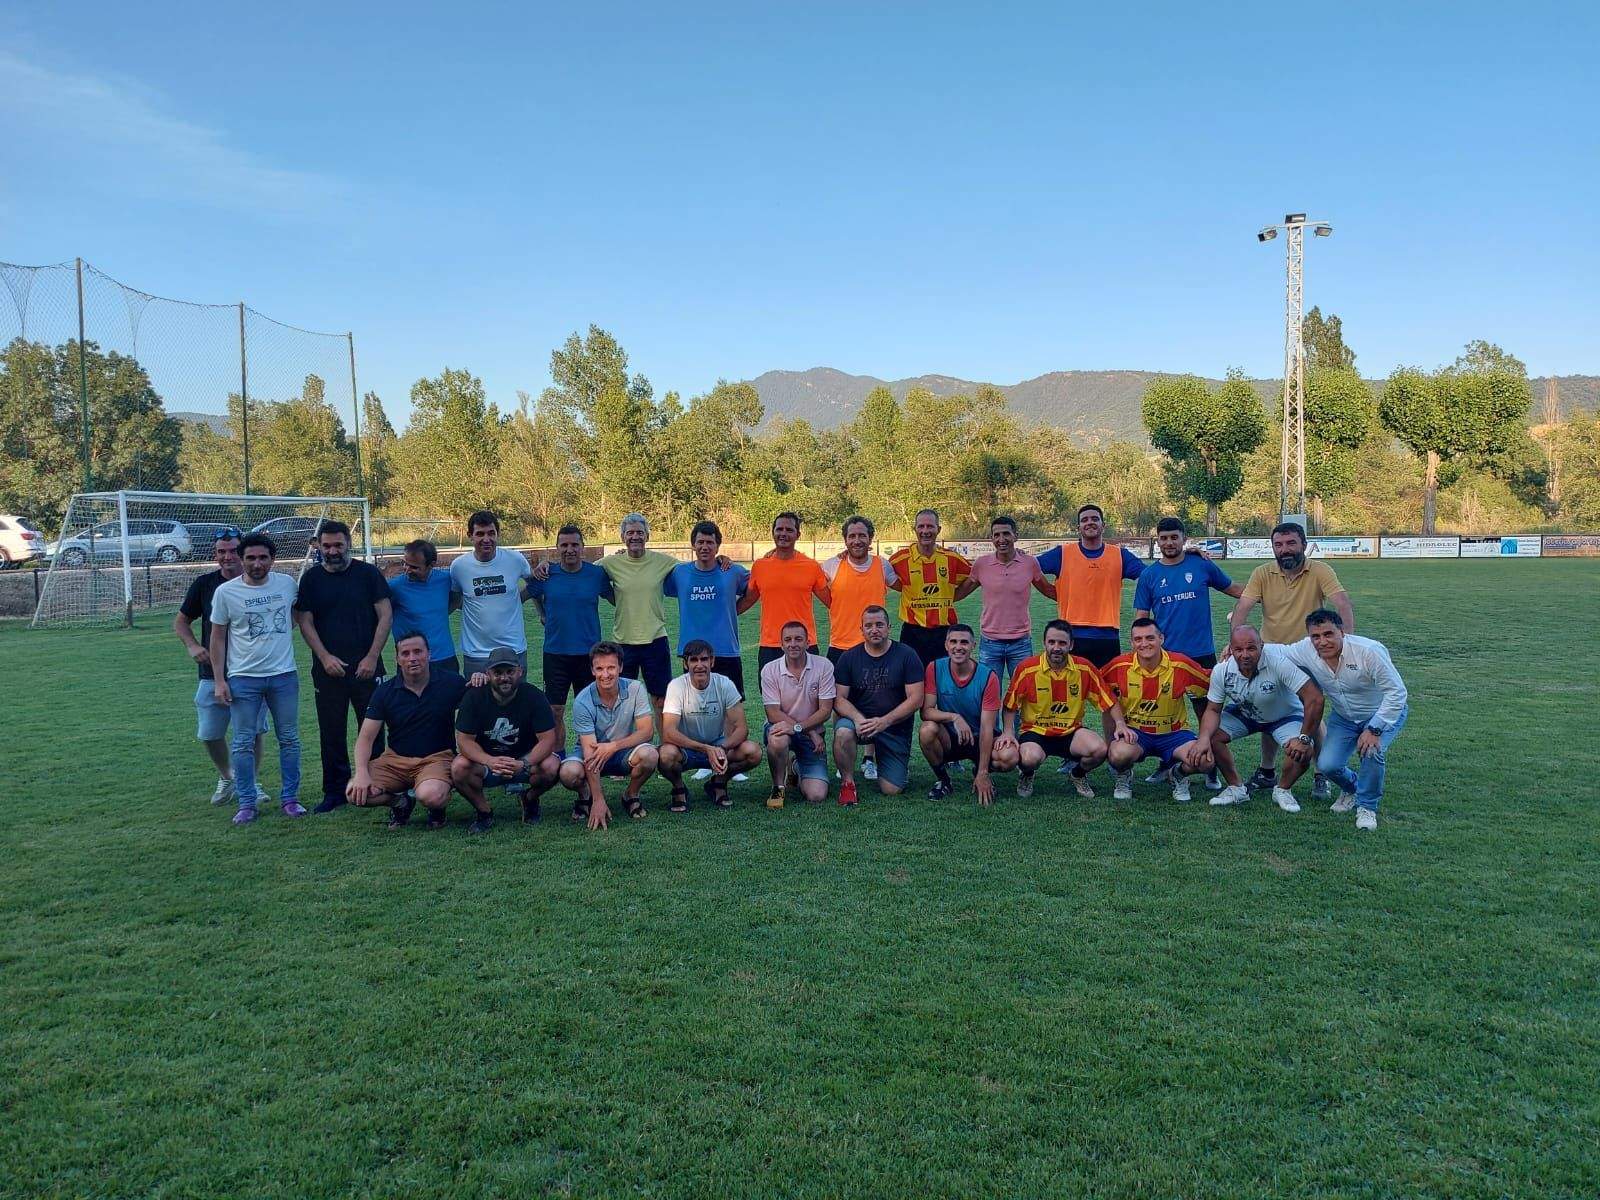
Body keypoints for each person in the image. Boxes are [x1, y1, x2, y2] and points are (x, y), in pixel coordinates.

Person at [1227, 521, 1355, 794]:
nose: (1284, 550)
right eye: (1278, 545)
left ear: (1304, 545)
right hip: (1270, 653)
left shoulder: (1320, 570)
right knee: (1268, 709)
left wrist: (1348, 642)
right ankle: (1267, 771)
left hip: (1308, 655)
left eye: (1290, 544)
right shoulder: (1262, 573)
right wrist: (1234, 642)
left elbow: (1342, 602)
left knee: (1313, 711)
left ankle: (1322, 773)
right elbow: (1243, 607)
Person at [1133, 515, 1243, 785]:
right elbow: (1141, 617)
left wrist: (1268, 592)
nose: (1169, 542)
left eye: (1174, 537)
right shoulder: (1149, 575)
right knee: (1163, 714)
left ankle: (1211, 769)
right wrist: (1141, 650)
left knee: (1206, 712)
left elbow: (1234, 590)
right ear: (1157, 541)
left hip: (1201, 654)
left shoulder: (1201, 564)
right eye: (1164, 538)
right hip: (1165, 657)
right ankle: (1166, 762)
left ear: (1184, 539)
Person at [294, 520, 393, 813]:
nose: (332, 551)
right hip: (328, 671)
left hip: (367, 667)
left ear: (349, 543)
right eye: (326, 546)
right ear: (318, 547)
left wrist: (372, 657)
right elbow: (305, 621)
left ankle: (375, 784)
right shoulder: (311, 579)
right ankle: (334, 791)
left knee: (373, 730)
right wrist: (324, 657)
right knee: (331, 731)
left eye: (338, 545)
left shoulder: (368, 574)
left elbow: (385, 615)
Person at [1281, 609, 1408, 832]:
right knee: (1327, 765)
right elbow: (1276, 652)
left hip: (1380, 713)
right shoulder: (1306, 649)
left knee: (1372, 752)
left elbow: (1396, 693)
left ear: (1342, 632)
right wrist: (1235, 650)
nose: (1322, 642)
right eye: (1316, 636)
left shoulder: (1368, 651)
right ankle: (1352, 788)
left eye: (1329, 634)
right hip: (1344, 717)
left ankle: (1367, 806)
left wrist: (1375, 729)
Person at [208, 532, 303, 825]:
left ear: (272, 560)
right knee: (242, 742)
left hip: (283, 676)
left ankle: (290, 799)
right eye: (250, 557)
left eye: (263, 557)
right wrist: (220, 680)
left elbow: (298, 617)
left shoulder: (287, 584)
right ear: (241, 559)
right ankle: (247, 803)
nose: (257, 563)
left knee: (288, 739)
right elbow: (218, 638)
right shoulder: (226, 593)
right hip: (244, 678)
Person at [174, 526, 265, 806]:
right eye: (221, 552)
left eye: (232, 551)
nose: (227, 557)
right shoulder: (205, 584)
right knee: (210, 733)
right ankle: (228, 777)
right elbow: (181, 621)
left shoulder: (262, 583)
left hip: (252, 672)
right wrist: (192, 645)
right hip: (213, 675)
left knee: (253, 732)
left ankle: (250, 782)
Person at [345, 632, 470, 831]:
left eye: (418, 651)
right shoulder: (385, 691)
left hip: (436, 758)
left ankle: (437, 809)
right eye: (405, 653)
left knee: (431, 796)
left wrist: (481, 678)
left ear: (429, 654)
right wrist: (361, 773)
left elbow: (480, 700)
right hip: (394, 760)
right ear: (397, 659)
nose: (412, 658)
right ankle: (401, 803)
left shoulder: (451, 683)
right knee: (355, 793)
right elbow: (365, 738)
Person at [996, 619, 1132, 799]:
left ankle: (1078, 775)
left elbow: (1109, 700)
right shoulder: (1027, 669)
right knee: (1028, 758)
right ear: (1044, 643)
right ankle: (1027, 774)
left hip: (1071, 732)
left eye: (1062, 643)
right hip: (1036, 731)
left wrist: (1121, 724)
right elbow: (1009, 705)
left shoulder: (1084, 668)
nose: (1056, 647)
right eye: (1051, 642)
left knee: (1099, 749)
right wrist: (1007, 732)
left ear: (1071, 645)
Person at [1194, 625, 1324, 812]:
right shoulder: (1222, 670)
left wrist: (1304, 738)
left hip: (1284, 716)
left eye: (1251, 648)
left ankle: (1283, 789)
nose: (1245, 655)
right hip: (1247, 713)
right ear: (1230, 649)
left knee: (1303, 750)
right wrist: (1203, 738)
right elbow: (1213, 709)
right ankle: (1236, 788)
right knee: (1211, 736)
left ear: (1261, 646)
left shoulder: (1278, 662)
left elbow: (1315, 697)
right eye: (1238, 649)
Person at [1098, 618, 1215, 803]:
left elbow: (1213, 682)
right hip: (1135, 734)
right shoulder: (1119, 666)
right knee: (1118, 754)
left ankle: (1177, 774)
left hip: (1174, 733)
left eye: (1150, 638)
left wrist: (1230, 663)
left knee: (1205, 761)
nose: (1144, 644)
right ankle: (1124, 775)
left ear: (1161, 638)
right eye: (1138, 639)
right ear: (1131, 643)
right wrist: (1119, 724)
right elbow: (1097, 686)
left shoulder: (1180, 664)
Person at [524, 525, 614, 753]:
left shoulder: (596, 574)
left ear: (583, 548)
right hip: (556, 652)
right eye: (564, 545)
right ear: (557, 548)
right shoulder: (547, 573)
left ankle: (590, 751)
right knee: (555, 709)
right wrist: (541, 612)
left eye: (575, 545)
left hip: (589, 653)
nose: (570, 550)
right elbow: (528, 592)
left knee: (591, 708)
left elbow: (618, 599)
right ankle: (558, 754)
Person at [452, 646, 562, 826]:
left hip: (524, 760)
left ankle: (529, 798)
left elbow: (548, 739)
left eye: (510, 671)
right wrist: (489, 760)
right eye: (498, 672)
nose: (504, 677)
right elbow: (464, 741)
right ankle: (484, 811)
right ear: (488, 672)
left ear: (520, 671)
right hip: (486, 762)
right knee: (459, 767)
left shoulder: (534, 696)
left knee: (552, 765)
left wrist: (523, 763)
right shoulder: (474, 696)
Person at [558, 641, 658, 829]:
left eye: (611, 667)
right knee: (568, 773)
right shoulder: (582, 701)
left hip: (621, 751)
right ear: (592, 670)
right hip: (592, 751)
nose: (605, 674)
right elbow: (589, 753)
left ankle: (630, 795)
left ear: (620, 667)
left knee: (650, 755)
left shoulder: (635, 688)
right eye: (600, 668)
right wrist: (599, 799)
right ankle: (586, 796)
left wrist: (613, 746)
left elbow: (647, 732)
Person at [832, 605, 925, 805]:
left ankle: (892, 762)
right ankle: (848, 784)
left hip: (894, 726)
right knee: (843, 732)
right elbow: (839, 699)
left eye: (880, 625)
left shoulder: (907, 655)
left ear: (889, 627)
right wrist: (858, 719)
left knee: (892, 789)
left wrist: (885, 721)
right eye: (869, 626)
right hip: (861, 724)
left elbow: (916, 698)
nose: (874, 630)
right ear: (861, 630)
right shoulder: (848, 658)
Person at [1035, 504, 1145, 671]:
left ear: (1103, 525)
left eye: (1095, 519)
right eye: (1084, 520)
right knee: (1071, 693)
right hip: (1071, 636)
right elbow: (1029, 568)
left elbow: (1150, 574)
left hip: (1107, 636)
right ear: (1078, 527)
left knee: (1108, 693)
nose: (1090, 522)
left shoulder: (1119, 555)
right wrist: (1051, 591)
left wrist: (1184, 555)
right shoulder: (1062, 553)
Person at [658, 640, 762, 811]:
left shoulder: (724, 683)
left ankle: (718, 783)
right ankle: (679, 788)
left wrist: (720, 747)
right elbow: (668, 732)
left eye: (704, 659)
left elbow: (742, 728)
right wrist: (706, 749)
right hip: (687, 748)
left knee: (753, 752)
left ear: (712, 661)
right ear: (686, 663)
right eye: (694, 660)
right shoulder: (676, 686)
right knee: (665, 755)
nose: (699, 665)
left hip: (718, 744)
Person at [596, 514, 680, 726]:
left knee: (660, 700)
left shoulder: (663, 561)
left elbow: (694, 568)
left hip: (655, 640)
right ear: (622, 536)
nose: (635, 537)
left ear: (647, 536)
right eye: (630, 533)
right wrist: (547, 566)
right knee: (622, 701)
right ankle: (624, 749)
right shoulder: (610, 563)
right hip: (623, 643)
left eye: (639, 533)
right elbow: (582, 570)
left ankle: (666, 748)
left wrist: (720, 559)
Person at [918, 623, 1013, 806]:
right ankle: (943, 781)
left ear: (973, 646)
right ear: (946, 645)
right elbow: (926, 711)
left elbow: (987, 727)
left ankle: (980, 769)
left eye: (964, 642)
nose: (958, 647)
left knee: (1009, 757)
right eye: (953, 642)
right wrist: (954, 717)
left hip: (980, 738)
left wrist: (983, 773)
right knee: (927, 730)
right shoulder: (934, 668)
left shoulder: (988, 676)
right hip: (952, 736)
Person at [964, 515, 1055, 684]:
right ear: (991, 538)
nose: (1001, 539)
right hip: (990, 642)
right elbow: (961, 592)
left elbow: (1048, 590)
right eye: (996, 535)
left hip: (1020, 642)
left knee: (1024, 694)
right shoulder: (981, 564)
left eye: (1006, 534)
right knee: (988, 694)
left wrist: (1077, 596)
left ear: (1015, 536)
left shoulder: (1030, 563)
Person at [663, 520, 750, 692]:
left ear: (718, 547)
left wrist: (735, 609)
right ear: (693, 546)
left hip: (726, 650)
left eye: (710, 542)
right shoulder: (679, 572)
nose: (705, 547)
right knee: (694, 707)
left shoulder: (732, 571)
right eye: (700, 542)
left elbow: (757, 588)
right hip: (692, 652)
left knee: (732, 709)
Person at [759, 620, 837, 807]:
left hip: (811, 735)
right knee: (777, 738)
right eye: (788, 639)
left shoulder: (824, 666)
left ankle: (795, 766)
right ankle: (778, 787)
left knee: (816, 795)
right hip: (788, 729)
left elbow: (826, 710)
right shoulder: (769, 670)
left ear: (807, 642)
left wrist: (801, 729)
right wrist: (808, 731)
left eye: (798, 639)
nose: (793, 643)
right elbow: (773, 713)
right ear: (781, 644)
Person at [740, 512, 831, 670]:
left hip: (804, 643)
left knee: (809, 695)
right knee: (770, 695)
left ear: (798, 535)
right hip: (771, 645)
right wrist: (723, 613)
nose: (783, 533)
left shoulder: (811, 566)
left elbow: (831, 601)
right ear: (773, 532)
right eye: (779, 529)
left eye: (789, 530)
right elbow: (748, 599)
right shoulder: (760, 566)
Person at [449, 510, 533, 677]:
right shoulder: (459, 567)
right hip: (476, 654)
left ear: (497, 534)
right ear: (470, 536)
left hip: (513, 650)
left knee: (516, 702)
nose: (486, 539)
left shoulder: (515, 559)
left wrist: (518, 601)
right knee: (478, 702)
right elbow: (455, 600)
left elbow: (536, 585)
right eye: (480, 534)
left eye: (491, 533)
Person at [888, 508, 972, 668]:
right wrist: (846, 554)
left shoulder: (951, 559)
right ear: (915, 529)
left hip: (944, 631)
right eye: (921, 527)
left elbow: (975, 577)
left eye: (930, 526)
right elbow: (875, 568)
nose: (925, 531)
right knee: (913, 681)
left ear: (938, 529)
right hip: (913, 632)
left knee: (943, 681)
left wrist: (954, 596)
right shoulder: (900, 559)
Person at [819, 515, 896, 666]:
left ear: (870, 538)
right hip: (840, 647)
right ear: (845, 540)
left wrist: (933, 549)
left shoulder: (882, 565)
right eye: (852, 536)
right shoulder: (831, 565)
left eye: (862, 535)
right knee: (839, 690)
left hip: (875, 646)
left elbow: (906, 584)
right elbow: (807, 580)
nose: (857, 540)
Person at [388, 538, 460, 675]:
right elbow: (382, 617)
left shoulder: (446, 580)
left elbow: (456, 600)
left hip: (444, 658)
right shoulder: (394, 587)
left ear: (431, 565)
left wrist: (438, 616)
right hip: (412, 661)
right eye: (405, 564)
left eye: (414, 567)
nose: (407, 570)